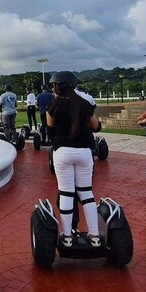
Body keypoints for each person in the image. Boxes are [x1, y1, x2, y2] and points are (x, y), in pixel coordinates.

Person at [46, 71, 103, 248]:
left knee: (66, 193)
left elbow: (50, 129)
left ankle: (67, 236)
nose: (53, 89)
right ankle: (94, 235)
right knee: (86, 193)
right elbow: (96, 127)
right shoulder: (85, 103)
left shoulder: (53, 105)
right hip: (84, 152)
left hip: (62, 151)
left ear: (59, 86)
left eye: (54, 85)